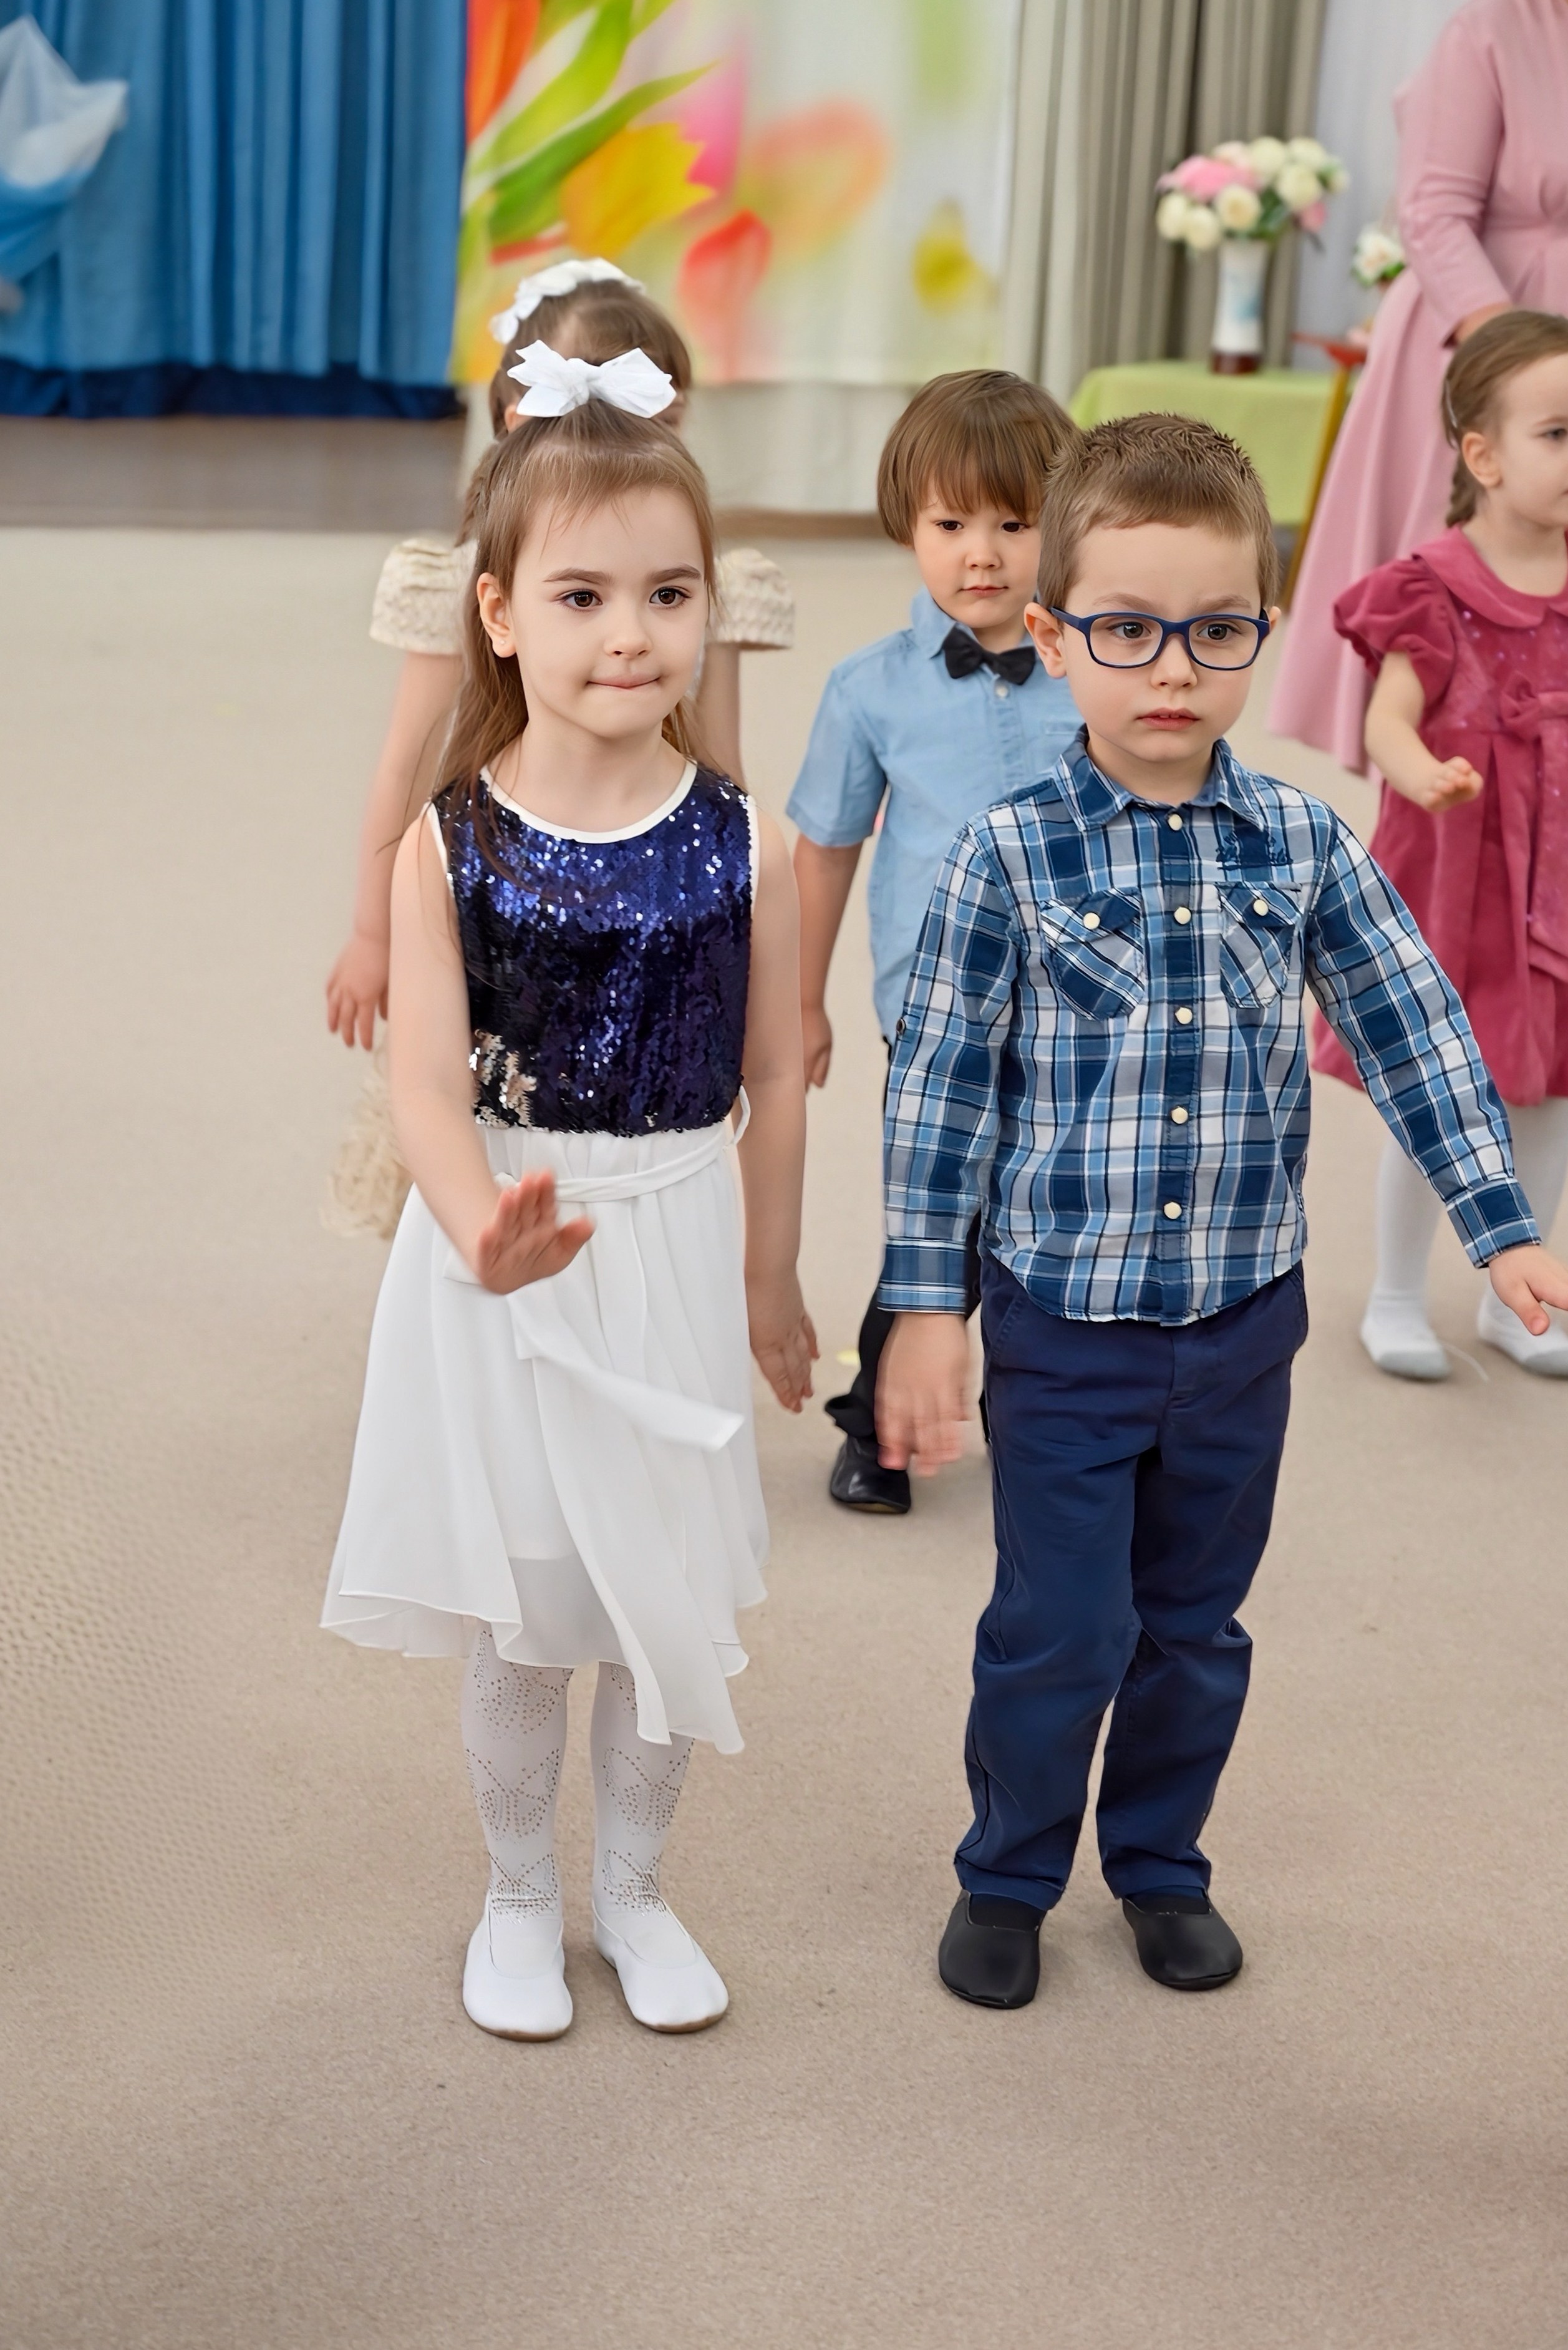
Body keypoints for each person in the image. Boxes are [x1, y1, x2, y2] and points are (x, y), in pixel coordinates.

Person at [875, 414, 1568, 2009]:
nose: (1169, 667)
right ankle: (1007, 1874)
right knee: (1061, 1626)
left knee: (1195, 1624)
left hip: (1244, 1326)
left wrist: (1498, 1220)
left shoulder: (1305, 842)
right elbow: (939, 1105)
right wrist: (927, 1307)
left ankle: (1163, 1864)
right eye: (1125, 629)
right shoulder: (1006, 862)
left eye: (1215, 629)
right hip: (1064, 1328)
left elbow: (1412, 1027)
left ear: (1260, 628)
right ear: (1054, 639)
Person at [321, 349, 816, 2042]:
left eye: (668, 592)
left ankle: (640, 1886)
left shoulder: (744, 840)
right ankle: (521, 1888)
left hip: (671, 1236)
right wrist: (479, 1230)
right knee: (534, 1608)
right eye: (586, 592)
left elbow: (774, 1084)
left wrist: (769, 1281)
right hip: (510, 1256)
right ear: (499, 612)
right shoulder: (445, 843)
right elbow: (425, 1085)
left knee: (659, 1597)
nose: (632, 631)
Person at [322, 258, 794, 1238]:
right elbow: (406, 764)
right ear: (511, 421)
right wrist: (374, 930)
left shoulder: (699, 587)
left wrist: (728, 899)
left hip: (655, 878)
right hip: (499, 880)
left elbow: (724, 765)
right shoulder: (460, 582)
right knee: (470, 1087)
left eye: (644, 416)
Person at [785, 369, 1082, 1515]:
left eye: (1015, 523)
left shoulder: (1096, 671)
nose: (984, 555)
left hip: (1083, 1002)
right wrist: (799, 1002)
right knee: (940, 1206)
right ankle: (877, 1418)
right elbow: (823, 849)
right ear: (905, 525)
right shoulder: (869, 691)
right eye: (950, 524)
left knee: (1057, 1206)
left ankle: (1042, 1407)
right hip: (933, 1006)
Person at [1324, 309, 1568, 1380]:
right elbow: (1388, 712)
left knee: (1548, 1091)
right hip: (1454, 879)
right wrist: (1415, 770)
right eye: (1555, 433)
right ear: (1479, 455)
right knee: (1440, 1089)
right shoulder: (1429, 584)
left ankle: (1516, 1294)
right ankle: (1390, 1292)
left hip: (1553, 881)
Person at [1270, 0, 1568, 771]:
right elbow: (1432, 213)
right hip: (1478, 335)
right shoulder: (1489, 30)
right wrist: (1515, 368)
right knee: (1473, 588)